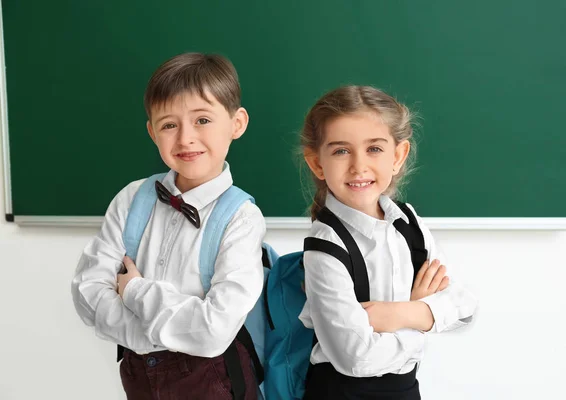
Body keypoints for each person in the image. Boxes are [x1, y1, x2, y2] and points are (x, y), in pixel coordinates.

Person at [71, 52, 265, 400]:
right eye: (169, 124)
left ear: (237, 123)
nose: (185, 138)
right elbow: (88, 292)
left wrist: (133, 292)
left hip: (213, 379)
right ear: (152, 132)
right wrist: (150, 337)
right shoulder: (133, 198)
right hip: (137, 371)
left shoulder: (241, 218)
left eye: (202, 120)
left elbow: (213, 332)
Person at [299, 85, 477, 399]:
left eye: (374, 149)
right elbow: (355, 357)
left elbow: (464, 309)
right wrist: (425, 317)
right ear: (316, 163)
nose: (358, 166)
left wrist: (400, 313)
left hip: (406, 391)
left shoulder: (410, 225)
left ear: (398, 156)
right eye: (341, 150)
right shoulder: (324, 247)